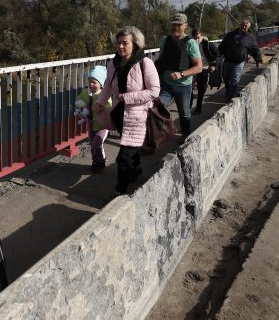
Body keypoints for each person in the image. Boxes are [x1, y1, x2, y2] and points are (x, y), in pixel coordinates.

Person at [95, 26, 160, 196]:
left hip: (137, 116)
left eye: (125, 43)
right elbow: (108, 86)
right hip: (119, 113)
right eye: (118, 43)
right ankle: (136, 171)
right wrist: (100, 102)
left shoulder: (145, 63)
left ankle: (121, 190)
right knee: (132, 149)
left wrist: (127, 97)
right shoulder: (113, 63)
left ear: (135, 44)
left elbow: (154, 91)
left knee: (124, 156)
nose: (121, 47)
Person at [155, 13, 202, 137]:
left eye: (179, 25)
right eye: (173, 25)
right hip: (165, 83)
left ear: (185, 26)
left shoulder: (191, 43)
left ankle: (185, 136)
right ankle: (159, 135)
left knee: (184, 113)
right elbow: (161, 59)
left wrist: (182, 74)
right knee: (158, 108)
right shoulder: (165, 40)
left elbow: (198, 67)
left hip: (183, 85)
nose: (175, 27)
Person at [75, 65, 112, 172]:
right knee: (93, 143)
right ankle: (97, 160)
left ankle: (100, 161)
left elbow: (108, 108)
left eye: (94, 82)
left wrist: (101, 109)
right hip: (91, 123)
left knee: (96, 144)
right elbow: (80, 100)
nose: (91, 84)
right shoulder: (86, 92)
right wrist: (80, 105)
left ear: (101, 84)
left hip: (102, 125)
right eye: (90, 81)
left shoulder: (104, 95)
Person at [217, 18, 262, 104]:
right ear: (239, 25)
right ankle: (228, 90)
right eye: (243, 25)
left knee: (234, 80)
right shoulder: (229, 35)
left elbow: (255, 49)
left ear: (248, 28)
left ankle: (229, 97)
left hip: (239, 63)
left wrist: (258, 60)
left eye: (246, 26)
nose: (244, 27)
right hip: (227, 61)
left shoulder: (250, 38)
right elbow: (222, 46)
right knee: (225, 78)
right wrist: (218, 55)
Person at [190, 28, 218, 115]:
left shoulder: (208, 44)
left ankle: (198, 108)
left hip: (204, 69)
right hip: (193, 70)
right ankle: (188, 107)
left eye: (198, 37)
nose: (197, 40)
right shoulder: (190, 44)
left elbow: (217, 55)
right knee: (189, 90)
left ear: (201, 35)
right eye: (195, 38)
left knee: (201, 91)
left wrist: (214, 66)